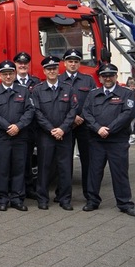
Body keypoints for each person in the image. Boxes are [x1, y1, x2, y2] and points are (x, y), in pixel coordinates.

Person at [82, 63, 135, 217]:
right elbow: (86, 113)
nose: (108, 78)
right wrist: (98, 128)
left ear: (115, 76)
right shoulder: (93, 94)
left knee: (120, 173)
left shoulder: (126, 93)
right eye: (104, 76)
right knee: (94, 172)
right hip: (97, 140)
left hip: (117, 141)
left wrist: (109, 129)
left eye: (111, 75)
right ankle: (92, 201)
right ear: (100, 78)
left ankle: (125, 203)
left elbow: (128, 114)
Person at [0, 60, 35, 211]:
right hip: (2, 137)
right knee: (2, 168)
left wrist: (18, 126)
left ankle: (17, 198)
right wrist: (7, 127)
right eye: (4, 74)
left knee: (19, 168)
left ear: (15, 74)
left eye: (10, 73)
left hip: (19, 136)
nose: (8, 77)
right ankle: (3, 198)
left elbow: (30, 111)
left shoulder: (24, 91)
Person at [32, 56, 78, 210]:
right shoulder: (37, 90)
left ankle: (65, 199)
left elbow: (73, 110)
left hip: (65, 135)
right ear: (44, 71)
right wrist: (51, 129)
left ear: (59, 70)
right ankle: (43, 199)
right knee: (44, 168)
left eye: (54, 68)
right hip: (46, 136)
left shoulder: (68, 88)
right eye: (48, 69)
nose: (52, 71)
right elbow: (36, 112)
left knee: (65, 168)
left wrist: (62, 129)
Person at [58, 48, 96, 202]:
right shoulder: (58, 79)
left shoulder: (88, 80)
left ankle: (89, 193)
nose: (73, 64)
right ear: (65, 63)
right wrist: (72, 118)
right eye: (70, 61)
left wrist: (82, 117)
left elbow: (93, 103)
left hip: (85, 126)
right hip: (66, 126)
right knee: (64, 161)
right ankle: (63, 193)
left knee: (87, 160)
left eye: (76, 61)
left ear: (79, 63)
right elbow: (56, 105)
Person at [14, 51, 41, 199]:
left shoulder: (36, 83)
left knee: (29, 159)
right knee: (19, 160)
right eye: (20, 63)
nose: (22, 65)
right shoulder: (11, 81)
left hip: (33, 127)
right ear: (16, 65)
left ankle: (29, 188)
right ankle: (18, 189)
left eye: (25, 63)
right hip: (18, 127)